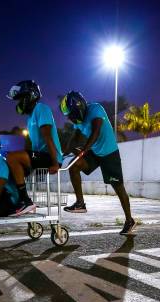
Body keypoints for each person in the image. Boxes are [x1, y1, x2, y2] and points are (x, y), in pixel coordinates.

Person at [59, 91, 136, 235]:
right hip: (94, 153)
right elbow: (73, 138)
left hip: (109, 153)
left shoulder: (95, 109)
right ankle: (80, 203)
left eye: (71, 114)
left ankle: (129, 220)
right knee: (74, 166)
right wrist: (62, 154)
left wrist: (84, 150)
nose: (70, 118)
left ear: (79, 108)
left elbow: (96, 131)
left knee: (119, 188)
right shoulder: (78, 121)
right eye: (68, 116)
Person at [5, 80, 63, 215]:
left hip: (51, 156)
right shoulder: (29, 117)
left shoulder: (42, 109)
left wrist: (55, 163)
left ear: (29, 96)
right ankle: (16, 201)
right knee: (9, 164)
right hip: (40, 156)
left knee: (12, 157)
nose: (18, 104)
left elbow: (48, 138)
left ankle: (25, 201)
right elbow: (32, 144)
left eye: (20, 99)